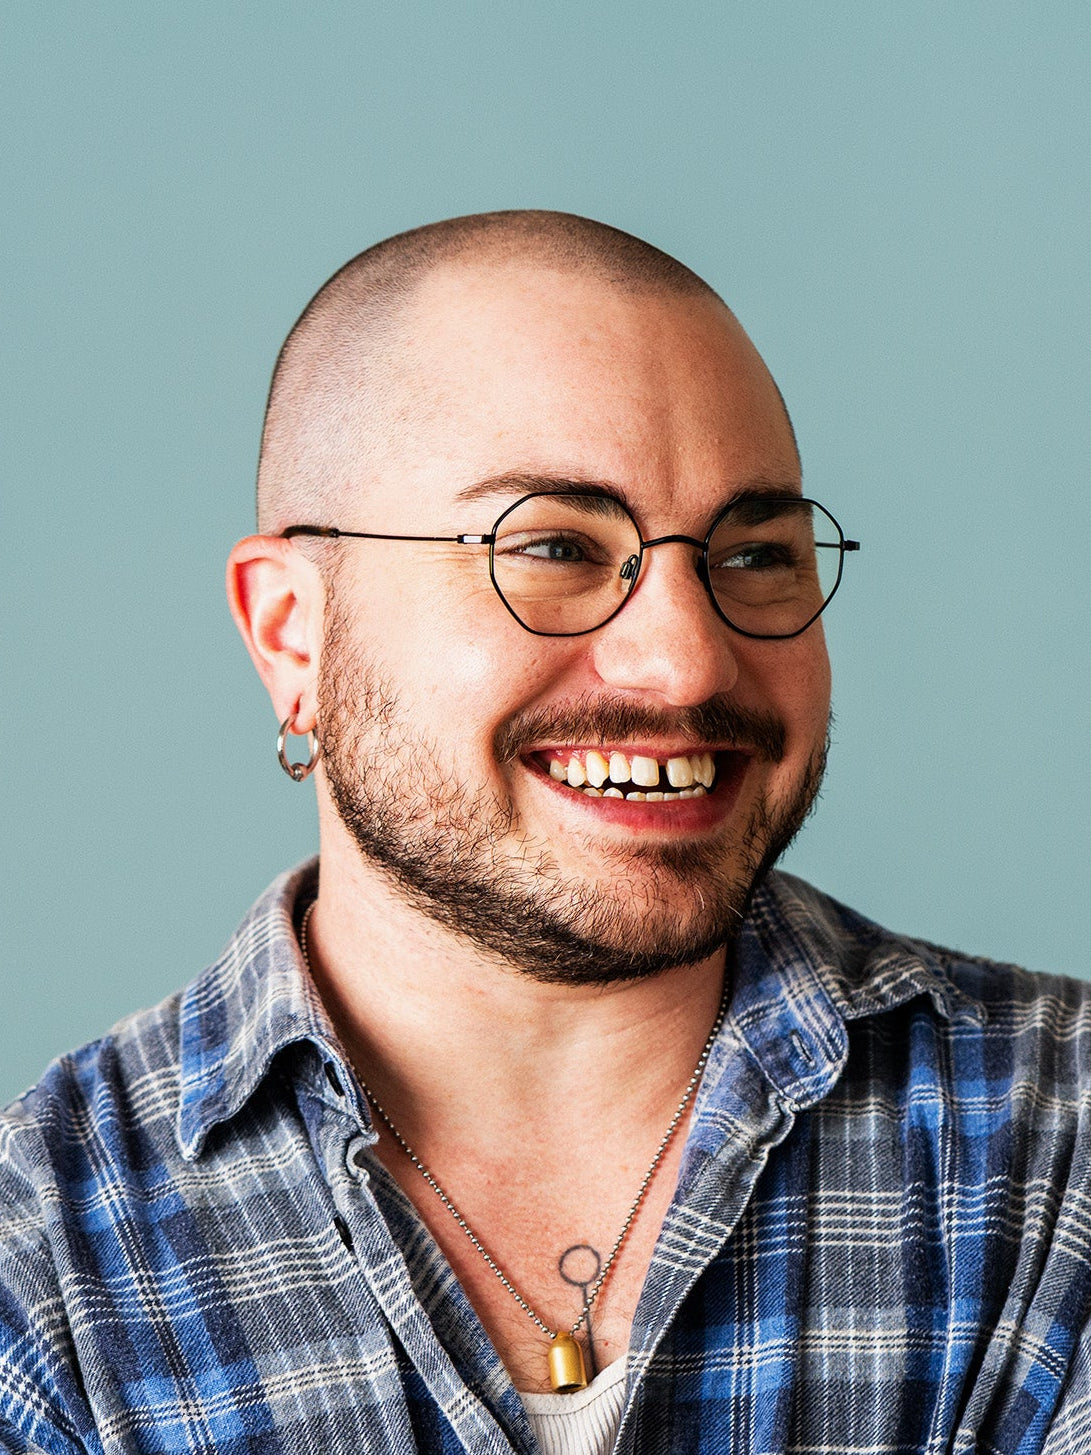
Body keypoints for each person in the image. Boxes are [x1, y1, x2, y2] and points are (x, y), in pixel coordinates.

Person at [1, 211, 1088, 1455]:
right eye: (557, 547)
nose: (685, 661)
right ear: (293, 633)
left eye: (752, 555)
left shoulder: (1061, 1141)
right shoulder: (44, 1267)